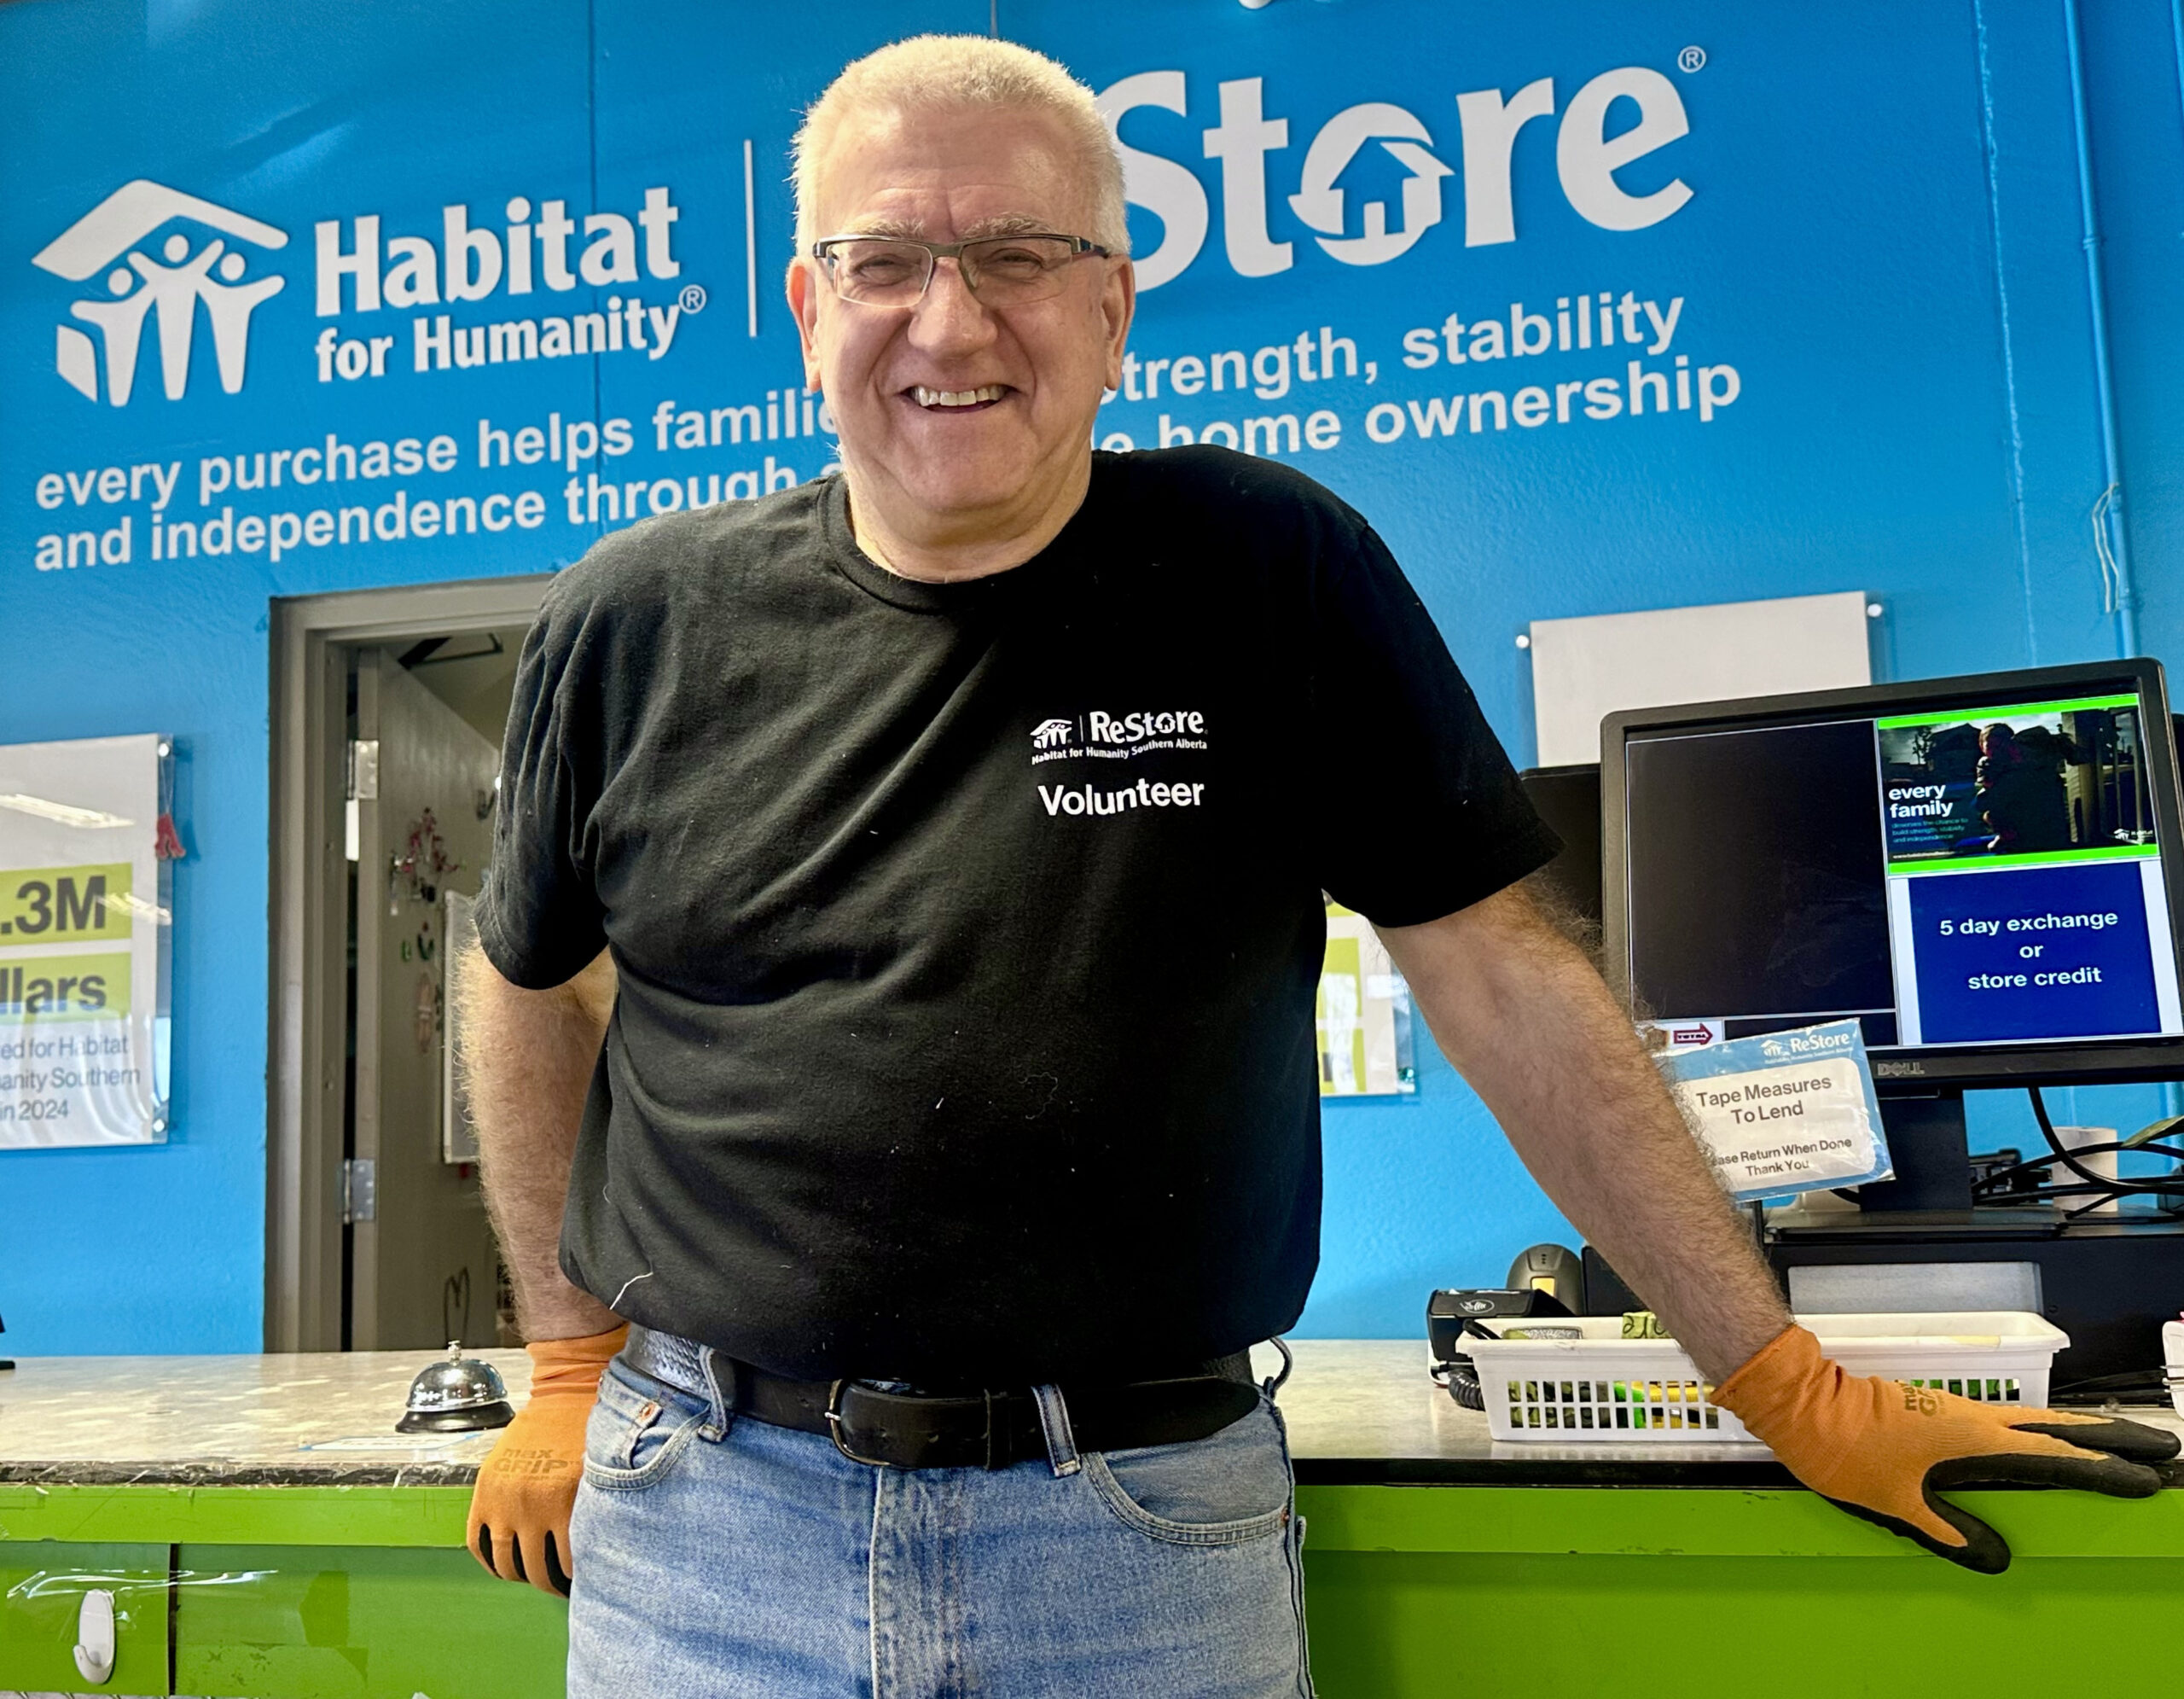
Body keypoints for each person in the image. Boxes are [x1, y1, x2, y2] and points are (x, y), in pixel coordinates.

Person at [457, 34, 2178, 1697]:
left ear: (1114, 310)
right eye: (886, 258)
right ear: (809, 308)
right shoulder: (637, 618)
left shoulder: (1263, 570)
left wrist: (1780, 1377)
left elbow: (1504, 980)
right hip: (712, 1520)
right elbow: (524, 977)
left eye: (1018, 256)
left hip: (1131, 1537)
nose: (949, 318)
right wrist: (562, 1360)